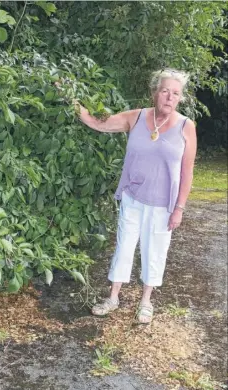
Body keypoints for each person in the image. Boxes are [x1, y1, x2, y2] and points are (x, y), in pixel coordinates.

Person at [74, 68, 197, 324]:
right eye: (165, 91)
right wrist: (72, 100)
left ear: (180, 98)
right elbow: (99, 123)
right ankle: (113, 298)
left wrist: (179, 208)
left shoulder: (186, 127)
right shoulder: (137, 117)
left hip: (164, 205)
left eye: (175, 93)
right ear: (155, 92)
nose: (169, 97)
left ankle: (145, 302)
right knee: (124, 248)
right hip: (133, 198)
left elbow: (187, 172)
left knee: (155, 252)